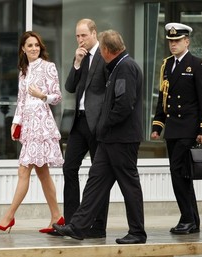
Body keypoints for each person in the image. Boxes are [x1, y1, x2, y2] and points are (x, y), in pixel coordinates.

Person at [54, 29, 147, 244]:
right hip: (109, 139)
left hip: (122, 139)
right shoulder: (117, 66)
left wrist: (103, 125)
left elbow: (124, 105)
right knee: (96, 182)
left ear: (106, 50)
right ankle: (78, 227)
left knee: (129, 184)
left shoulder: (125, 67)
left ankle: (137, 232)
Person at [0, 31, 65, 233]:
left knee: (24, 170)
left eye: (37, 45)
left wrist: (42, 95)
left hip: (42, 124)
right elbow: (21, 100)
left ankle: (8, 216)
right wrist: (16, 122)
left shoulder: (48, 67)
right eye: (30, 45)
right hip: (29, 125)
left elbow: (57, 97)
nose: (34, 48)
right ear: (23, 49)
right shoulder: (23, 71)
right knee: (43, 173)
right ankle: (57, 217)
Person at [151, 22, 202, 234]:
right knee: (182, 174)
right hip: (173, 130)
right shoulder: (167, 65)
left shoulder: (198, 65)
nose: (173, 44)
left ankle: (187, 219)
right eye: (170, 41)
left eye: (177, 41)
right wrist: (157, 124)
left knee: (179, 174)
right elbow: (163, 97)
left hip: (189, 129)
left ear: (187, 41)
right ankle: (192, 220)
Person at [61, 18, 109, 238]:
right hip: (79, 122)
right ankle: (72, 223)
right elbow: (70, 87)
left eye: (83, 35)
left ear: (94, 33)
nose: (80, 40)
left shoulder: (104, 55)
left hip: (97, 124)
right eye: (77, 36)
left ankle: (98, 227)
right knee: (69, 168)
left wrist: (105, 121)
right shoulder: (81, 56)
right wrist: (77, 63)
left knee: (98, 174)